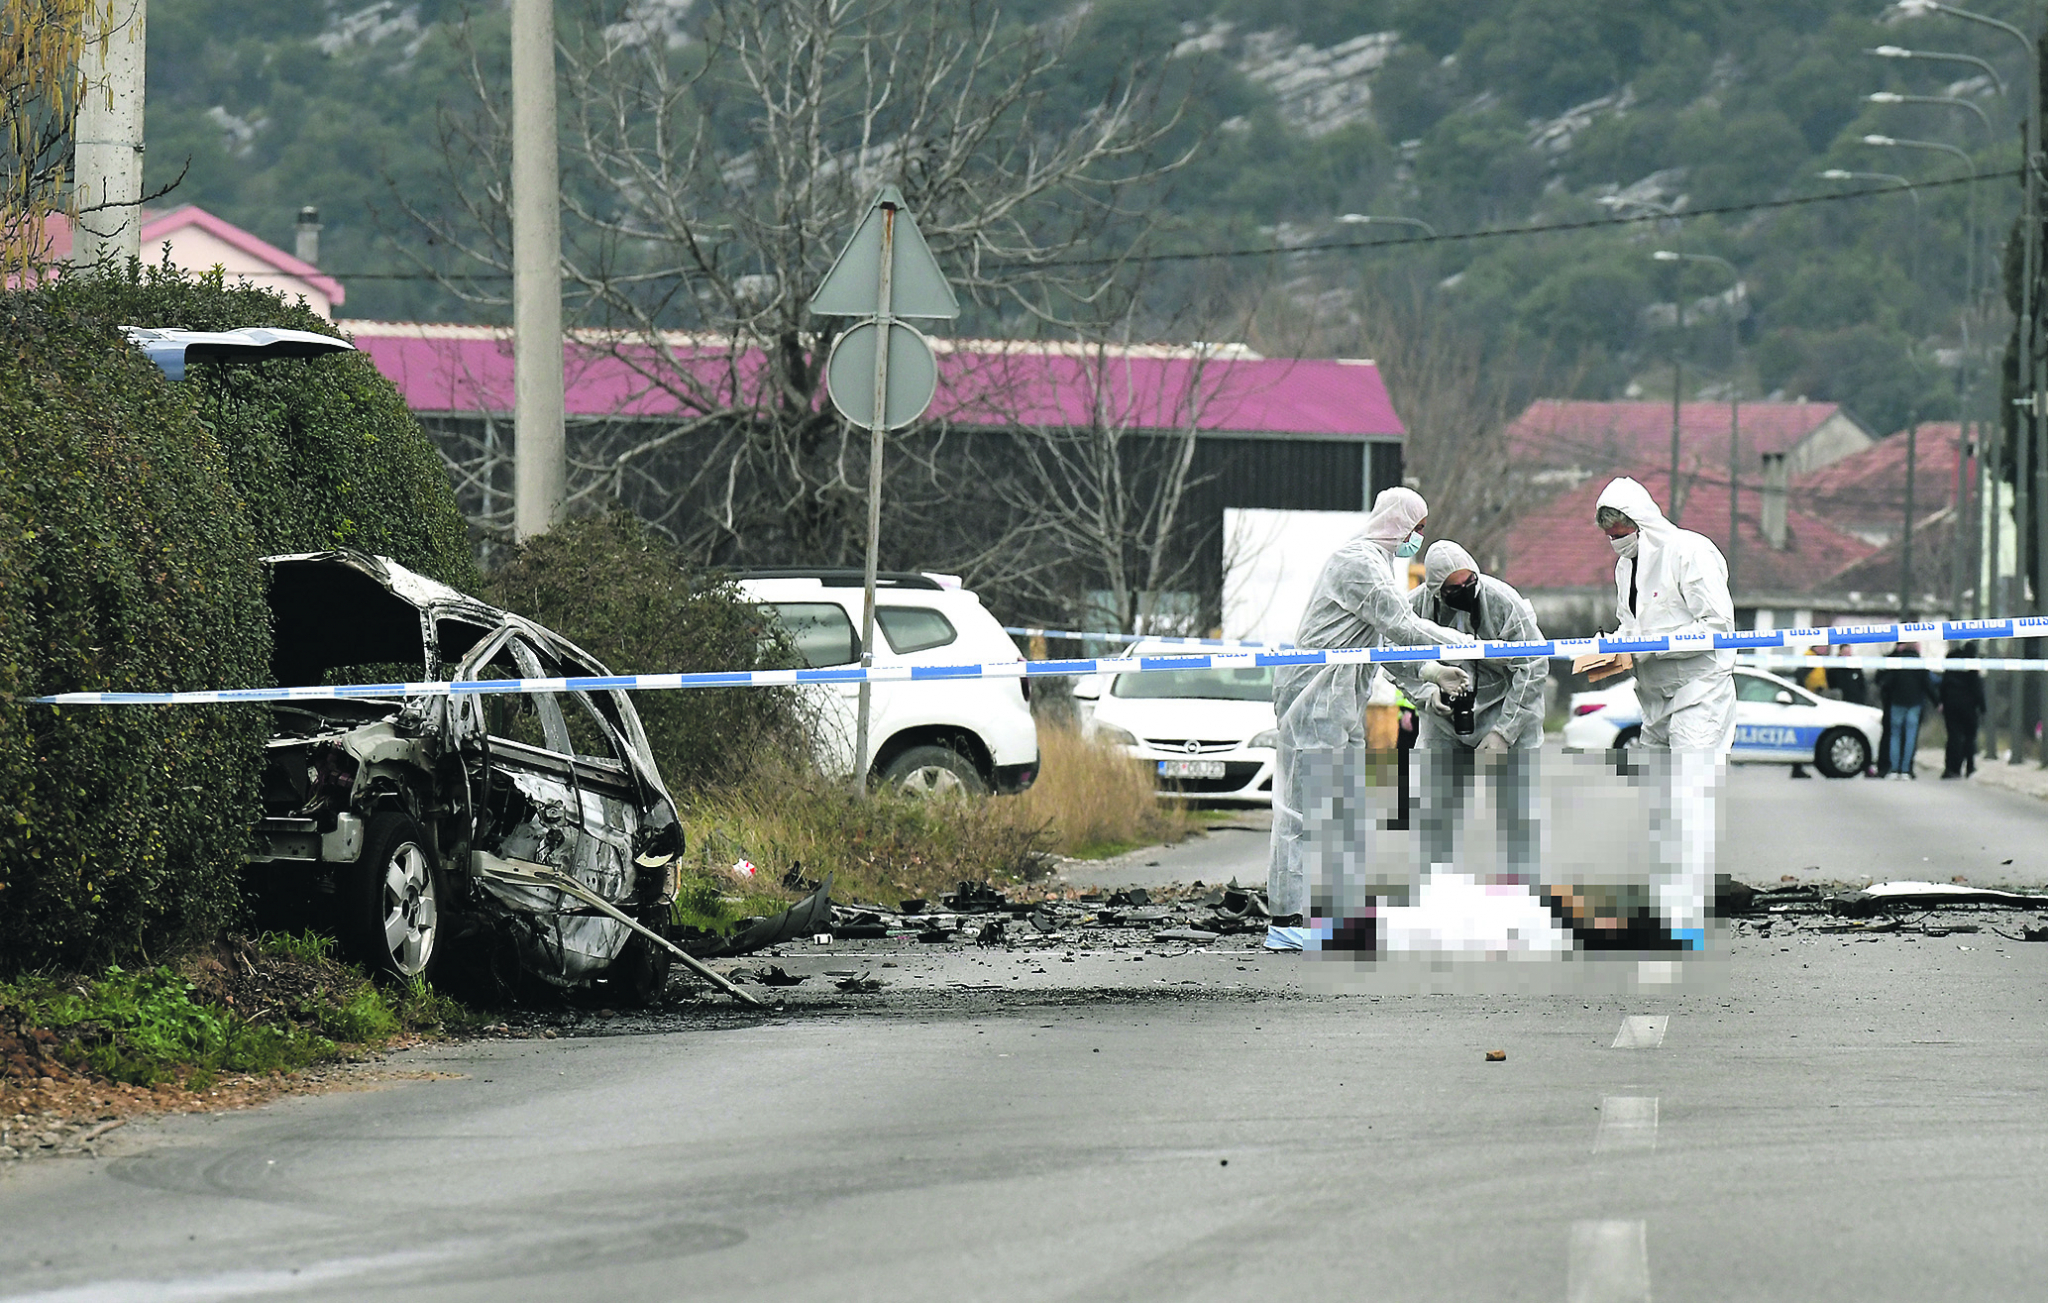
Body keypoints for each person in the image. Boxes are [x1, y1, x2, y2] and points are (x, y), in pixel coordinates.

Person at [1267, 488, 1473, 952]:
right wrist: (1461, 645)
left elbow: (1385, 646)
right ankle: (1285, 919)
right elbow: (1402, 624)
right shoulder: (1356, 563)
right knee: (1303, 812)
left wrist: (1427, 675)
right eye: (1416, 530)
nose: (1417, 540)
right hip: (1313, 702)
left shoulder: (1379, 566)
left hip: (1340, 704)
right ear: (1397, 523)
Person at [1594, 477, 1735, 950]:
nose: (1616, 538)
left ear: (1642, 520)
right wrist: (1614, 649)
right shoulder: (1625, 568)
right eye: (1609, 533)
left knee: (1689, 801)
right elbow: (1630, 624)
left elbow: (1717, 624)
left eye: (1621, 528)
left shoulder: (1689, 552)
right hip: (1654, 696)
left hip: (1699, 690)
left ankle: (1688, 917)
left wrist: (1651, 647)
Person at [1385, 541, 1549, 885]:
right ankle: (1436, 885)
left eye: (1469, 583)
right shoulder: (1413, 609)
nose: (1465, 592)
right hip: (1443, 720)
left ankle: (1518, 888)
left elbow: (1533, 665)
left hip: (1505, 710)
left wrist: (1505, 731)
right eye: (1454, 589)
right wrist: (1427, 692)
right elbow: (1391, 659)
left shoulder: (1504, 603)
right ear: (1436, 589)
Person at [1875, 645, 1935, 780]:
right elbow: (1927, 684)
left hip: (1897, 702)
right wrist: (1937, 701)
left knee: (1895, 736)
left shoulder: (1897, 661)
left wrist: (1887, 695)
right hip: (1914, 704)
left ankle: (1894, 769)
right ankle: (1906, 770)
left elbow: (1886, 682)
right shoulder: (1920, 663)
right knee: (1910, 737)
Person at [1939, 642, 1987, 779]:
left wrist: (1941, 701)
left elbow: (1944, 684)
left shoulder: (1952, 662)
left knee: (1953, 737)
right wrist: (1982, 706)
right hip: (1969, 707)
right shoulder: (1972, 664)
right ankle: (1970, 767)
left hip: (1951, 704)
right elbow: (1977, 687)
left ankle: (1951, 768)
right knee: (1970, 738)